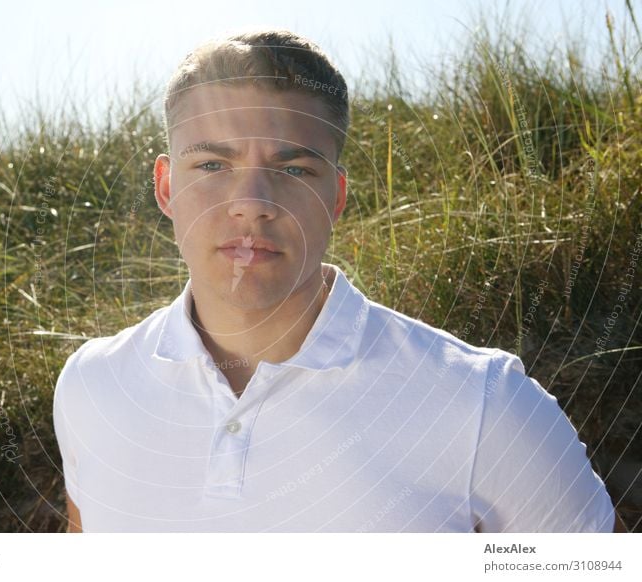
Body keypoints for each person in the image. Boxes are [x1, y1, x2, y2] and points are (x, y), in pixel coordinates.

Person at [53, 29, 626, 533]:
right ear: (166, 186)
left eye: (294, 169)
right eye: (212, 165)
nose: (251, 204)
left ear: (337, 196)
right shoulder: (92, 385)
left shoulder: (483, 402)